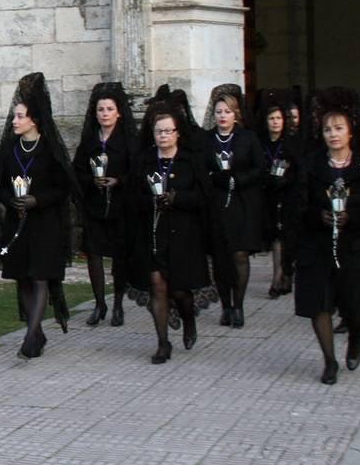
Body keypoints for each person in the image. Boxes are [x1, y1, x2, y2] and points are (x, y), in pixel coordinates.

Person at [293, 89, 360, 384]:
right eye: (327, 129)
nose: (333, 134)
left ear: (351, 131)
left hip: (355, 245)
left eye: (338, 128)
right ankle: (329, 361)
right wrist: (319, 216)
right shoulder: (313, 166)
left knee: (355, 305)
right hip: (318, 245)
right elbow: (299, 206)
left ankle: (354, 337)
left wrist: (353, 217)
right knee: (319, 303)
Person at [0, 72, 78, 358]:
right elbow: (0, 187)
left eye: (20, 116)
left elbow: (63, 188)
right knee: (23, 278)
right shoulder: (10, 150)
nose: (14, 121)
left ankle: (29, 338)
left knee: (40, 277)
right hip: (18, 224)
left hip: (45, 224)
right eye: (14, 116)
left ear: (34, 120)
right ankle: (35, 332)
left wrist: (37, 200)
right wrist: (11, 201)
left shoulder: (50, 150)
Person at [125, 104, 212, 363]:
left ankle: (188, 319)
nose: (163, 136)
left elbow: (203, 197)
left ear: (177, 133)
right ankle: (163, 343)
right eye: (158, 131)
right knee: (157, 285)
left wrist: (177, 198)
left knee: (180, 290)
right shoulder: (144, 162)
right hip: (153, 234)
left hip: (184, 235)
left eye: (167, 131)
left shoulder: (190, 161)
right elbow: (132, 197)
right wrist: (151, 201)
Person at [72, 81, 136, 327]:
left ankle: (118, 303)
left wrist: (118, 181)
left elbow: (138, 171)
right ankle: (100, 303)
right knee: (94, 254)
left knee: (120, 257)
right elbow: (77, 170)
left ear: (118, 112)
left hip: (121, 206)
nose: (105, 114)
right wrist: (91, 181)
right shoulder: (90, 141)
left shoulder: (128, 140)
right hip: (95, 205)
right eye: (101, 109)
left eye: (110, 109)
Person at [203, 84, 265, 327]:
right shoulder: (206, 140)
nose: (222, 116)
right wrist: (213, 177)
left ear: (235, 114)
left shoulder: (247, 138)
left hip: (242, 203)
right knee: (220, 258)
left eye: (227, 112)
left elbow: (259, 168)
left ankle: (238, 305)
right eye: (219, 112)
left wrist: (238, 179)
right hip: (217, 204)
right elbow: (200, 169)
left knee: (239, 254)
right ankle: (226, 306)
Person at [255, 90, 303, 298]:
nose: (275, 122)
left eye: (278, 118)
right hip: (269, 194)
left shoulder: (292, 142)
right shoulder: (261, 142)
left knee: (288, 236)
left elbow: (300, 170)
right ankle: (278, 276)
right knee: (275, 236)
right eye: (271, 118)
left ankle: (285, 275)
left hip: (289, 194)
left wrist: (288, 178)